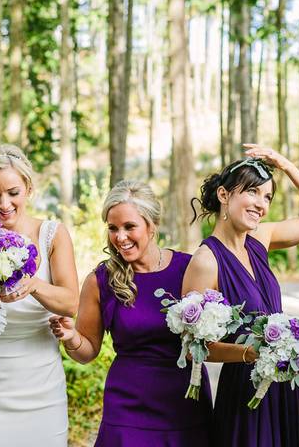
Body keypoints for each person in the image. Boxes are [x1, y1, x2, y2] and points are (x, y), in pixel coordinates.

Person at [182, 143, 299, 446]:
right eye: (252, 192)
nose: (261, 204)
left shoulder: (261, 238)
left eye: (267, 196)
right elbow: (194, 348)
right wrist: (250, 353)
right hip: (246, 389)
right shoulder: (206, 261)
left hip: (288, 383)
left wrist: (286, 166)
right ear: (224, 195)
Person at [50, 180, 212, 446]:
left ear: (152, 225)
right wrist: (70, 337)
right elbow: (87, 350)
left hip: (185, 400)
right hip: (128, 404)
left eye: (129, 226)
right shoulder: (100, 280)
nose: (120, 237)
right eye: (112, 228)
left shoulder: (190, 268)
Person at [0, 144, 80, 446]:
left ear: (28, 188)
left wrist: (35, 285)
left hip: (42, 388)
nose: (4, 203)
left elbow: (71, 303)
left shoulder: (52, 234)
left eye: (13, 192)